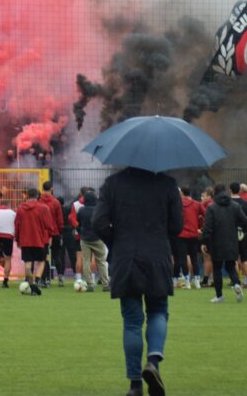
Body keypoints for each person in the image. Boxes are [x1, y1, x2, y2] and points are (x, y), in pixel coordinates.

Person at [92, 167, 182, 396]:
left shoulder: (112, 184)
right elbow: (177, 226)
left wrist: (118, 241)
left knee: (132, 320)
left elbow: (99, 222)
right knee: (159, 311)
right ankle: (153, 361)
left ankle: (134, 385)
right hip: (157, 255)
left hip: (125, 257)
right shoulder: (168, 184)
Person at [200, 184, 247, 304]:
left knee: (217, 268)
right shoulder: (235, 206)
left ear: (215, 193)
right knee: (230, 266)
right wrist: (240, 231)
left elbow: (207, 228)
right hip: (232, 241)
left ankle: (219, 296)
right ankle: (236, 284)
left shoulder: (212, 207)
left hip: (216, 243)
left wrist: (204, 242)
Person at [15, 188, 52, 296]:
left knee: (27, 264)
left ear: (26, 196)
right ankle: (36, 281)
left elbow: (17, 225)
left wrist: (17, 239)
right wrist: (49, 236)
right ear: (37, 196)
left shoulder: (21, 208)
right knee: (41, 261)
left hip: (25, 240)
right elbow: (49, 225)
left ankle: (31, 284)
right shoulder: (43, 208)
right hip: (40, 239)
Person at [77, 190, 110, 292]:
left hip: (85, 239)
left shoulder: (81, 210)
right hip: (98, 239)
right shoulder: (100, 210)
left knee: (86, 261)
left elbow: (79, 223)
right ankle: (105, 285)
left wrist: (81, 233)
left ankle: (90, 284)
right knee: (101, 261)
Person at [174, 187, 204, 290]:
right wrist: (201, 228)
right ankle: (197, 282)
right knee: (194, 258)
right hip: (193, 235)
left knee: (182, 259)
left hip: (181, 235)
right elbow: (206, 215)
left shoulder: (177, 204)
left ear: (181, 193)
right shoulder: (197, 204)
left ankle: (187, 282)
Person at [39, 181, 64, 287]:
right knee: (57, 255)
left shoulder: (39, 201)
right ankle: (60, 278)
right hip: (55, 232)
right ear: (51, 189)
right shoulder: (56, 202)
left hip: (43, 233)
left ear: (42, 189)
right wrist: (59, 232)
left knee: (44, 257)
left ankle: (45, 279)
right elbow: (60, 220)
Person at [229, 182, 247, 288]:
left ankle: (236, 281)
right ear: (239, 190)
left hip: (231, 233)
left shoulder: (229, 203)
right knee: (245, 257)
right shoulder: (245, 203)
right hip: (243, 233)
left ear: (230, 190)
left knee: (233, 258)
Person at [0, 200, 16, 288]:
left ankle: (0, 255)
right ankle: (5, 280)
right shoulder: (13, 213)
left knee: (0, 253)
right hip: (8, 236)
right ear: (9, 205)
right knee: (8, 259)